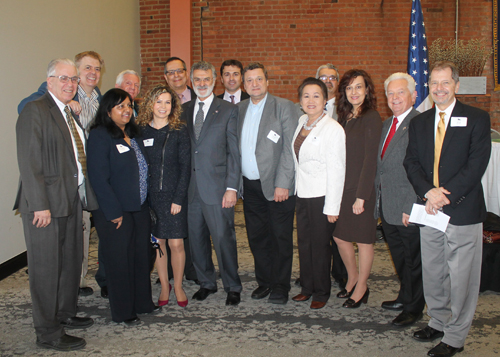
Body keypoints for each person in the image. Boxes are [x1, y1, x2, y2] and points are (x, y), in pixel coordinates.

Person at [404, 61, 491, 357]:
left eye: (445, 83)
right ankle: (439, 322)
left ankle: (455, 336)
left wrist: (444, 196)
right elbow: (411, 162)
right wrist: (428, 192)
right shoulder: (419, 122)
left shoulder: (477, 118)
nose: (439, 89)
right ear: (428, 86)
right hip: (429, 209)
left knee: (462, 276)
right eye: (434, 83)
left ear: (456, 85)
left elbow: (476, 165)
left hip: (462, 210)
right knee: (434, 271)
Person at [14, 58, 98, 351]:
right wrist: (39, 205)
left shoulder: (66, 112)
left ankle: (64, 314)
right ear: (49, 81)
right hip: (45, 205)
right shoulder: (34, 111)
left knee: (69, 262)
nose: (70, 84)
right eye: (63, 78)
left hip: (70, 199)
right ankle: (47, 332)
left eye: (73, 79)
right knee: (47, 268)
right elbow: (29, 162)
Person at [87, 88, 159, 325]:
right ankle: (123, 312)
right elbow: (98, 178)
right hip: (116, 211)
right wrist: (113, 212)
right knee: (120, 261)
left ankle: (143, 304)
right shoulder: (100, 135)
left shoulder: (133, 134)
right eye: (120, 106)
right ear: (108, 111)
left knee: (140, 257)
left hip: (138, 208)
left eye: (129, 105)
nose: (127, 110)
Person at [181, 61, 242, 306]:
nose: (202, 84)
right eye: (197, 80)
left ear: (214, 80)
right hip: (190, 189)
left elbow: (233, 152)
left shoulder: (227, 109)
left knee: (223, 238)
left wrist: (232, 187)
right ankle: (206, 282)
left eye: (206, 79)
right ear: (191, 82)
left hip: (218, 189)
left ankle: (232, 285)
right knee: (196, 239)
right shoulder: (183, 110)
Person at [238, 62, 298, 304]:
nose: (254, 84)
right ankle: (265, 282)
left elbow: (290, 147)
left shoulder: (284, 107)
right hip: (250, 187)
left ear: (267, 81)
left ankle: (280, 286)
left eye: (259, 79)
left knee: (280, 237)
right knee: (257, 237)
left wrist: (283, 182)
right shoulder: (239, 109)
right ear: (244, 85)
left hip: (277, 187)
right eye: (250, 80)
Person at [374, 73, 425, 327]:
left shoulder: (419, 124)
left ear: (413, 96)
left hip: (407, 207)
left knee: (413, 260)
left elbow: (423, 170)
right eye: (390, 94)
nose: (394, 98)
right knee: (400, 258)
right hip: (388, 206)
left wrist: (412, 206)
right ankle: (405, 297)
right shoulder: (386, 125)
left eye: (400, 92)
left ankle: (415, 308)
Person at [291, 78, 346, 309]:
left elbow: (337, 170)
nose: (310, 100)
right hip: (302, 193)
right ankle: (307, 287)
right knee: (304, 243)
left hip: (322, 196)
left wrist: (332, 207)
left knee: (321, 246)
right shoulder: (303, 121)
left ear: (325, 100)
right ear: (300, 100)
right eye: (306, 95)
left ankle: (321, 292)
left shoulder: (333, 129)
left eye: (316, 96)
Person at [333, 69, 382, 308]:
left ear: (367, 90)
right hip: (343, 188)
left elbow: (370, 159)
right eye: (349, 88)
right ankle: (352, 277)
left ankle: (362, 286)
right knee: (340, 237)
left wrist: (362, 196)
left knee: (363, 240)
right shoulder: (343, 117)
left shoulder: (371, 117)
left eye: (359, 87)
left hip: (362, 188)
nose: (354, 92)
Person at [138, 85, 190, 308]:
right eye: (158, 101)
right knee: (158, 243)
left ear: (173, 106)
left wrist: (178, 198)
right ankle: (164, 286)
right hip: (151, 198)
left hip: (173, 196)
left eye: (167, 102)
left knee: (176, 244)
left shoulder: (179, 129)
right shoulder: (140, 131)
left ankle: (177, 285)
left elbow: (185, 166)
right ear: (150, 103)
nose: (163, 106)